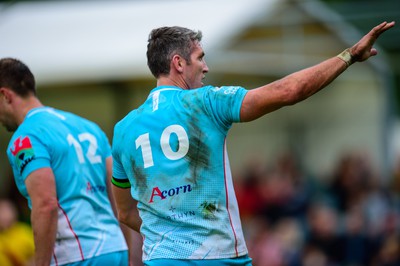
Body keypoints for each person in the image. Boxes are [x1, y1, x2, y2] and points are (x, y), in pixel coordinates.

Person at [110, 21, 395, 265]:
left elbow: (125, 212)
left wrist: (167, 233)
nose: (206, 67)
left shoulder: (123, 131)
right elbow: (289, 90)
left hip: (161, 259)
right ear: (179, 63)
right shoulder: (207, 103)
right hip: (219, 256)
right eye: (200, 58)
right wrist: (348, 56)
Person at [0, 58, 142, 266]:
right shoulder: (89, 127)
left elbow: (45, 205)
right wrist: (128, 253)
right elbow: (119, 198)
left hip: (76, 256)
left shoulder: (26, 138)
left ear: (5, 95)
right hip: (115, 249)